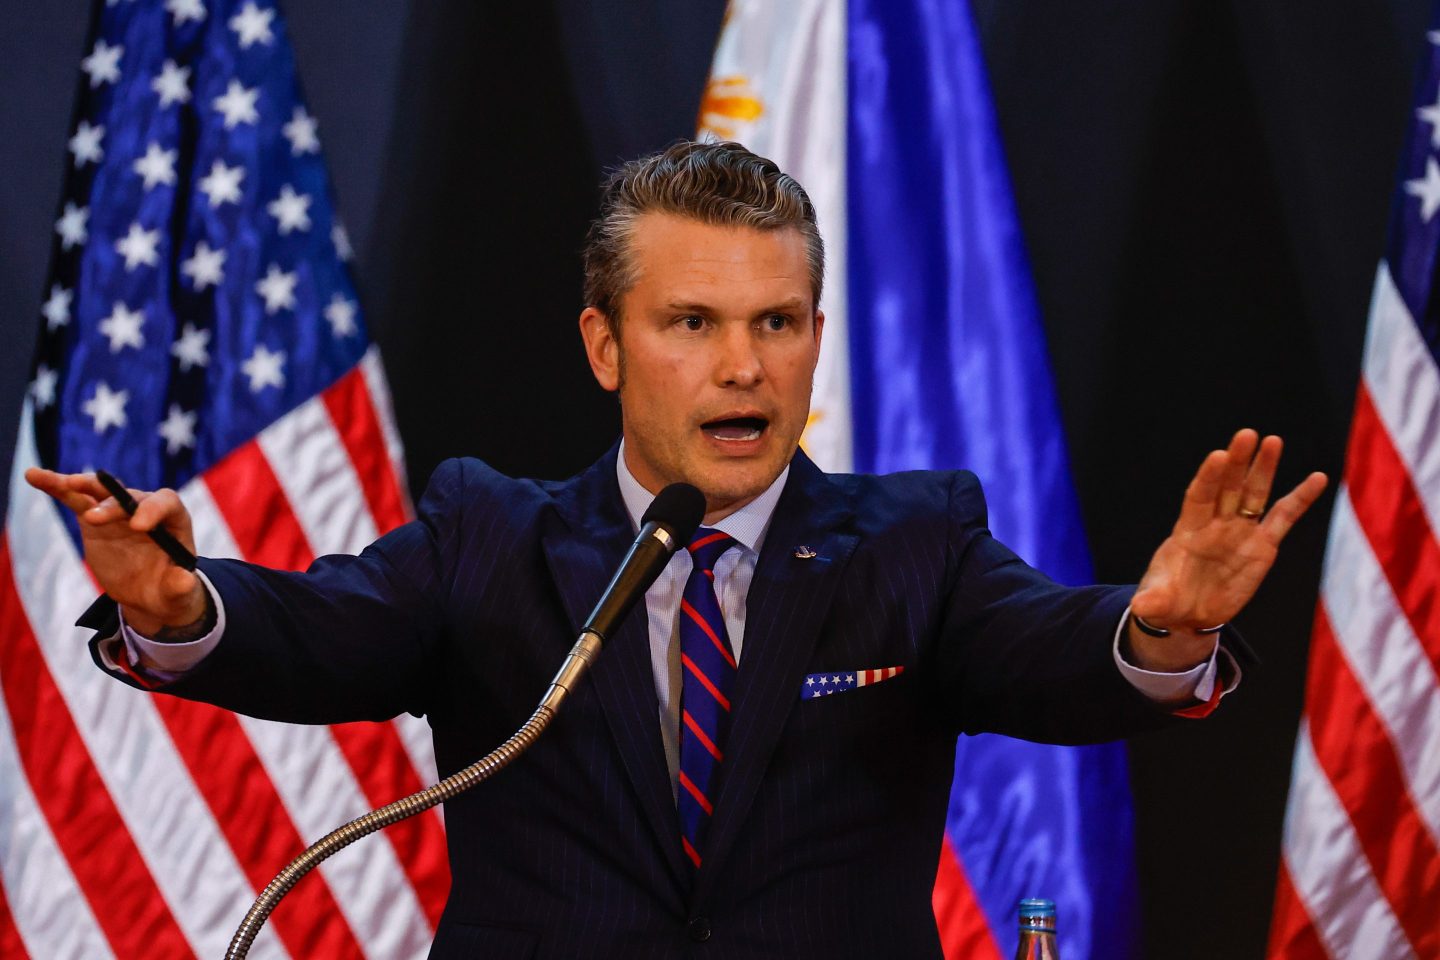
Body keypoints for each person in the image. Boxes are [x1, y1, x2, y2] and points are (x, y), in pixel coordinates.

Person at [26, 140, 1327, 959]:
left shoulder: (912, 543)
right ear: (606, 348)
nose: (743, 366)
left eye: (776, 322)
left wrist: (1164, 630)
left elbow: (1058, 660)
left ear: (818, 337)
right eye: (693, 322)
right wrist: (179, 602)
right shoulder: (495, 534)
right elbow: (318, 634)